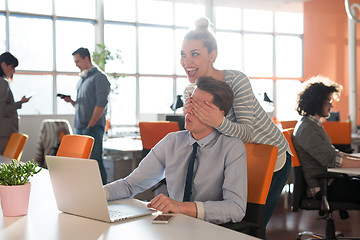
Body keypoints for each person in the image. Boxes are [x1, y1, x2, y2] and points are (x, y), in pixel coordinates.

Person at [181, 17, 291, 230]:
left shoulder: (236, 80)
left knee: (252, 229)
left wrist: (218, 121)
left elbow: (247, 133)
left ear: (212, 56)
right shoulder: (189, 91)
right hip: (236, 161)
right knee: (227, 225)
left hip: (269, 156)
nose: (187, 62)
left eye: (195, 54)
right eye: (183, 55)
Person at [104, 77, 247, 224]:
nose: (189, 110)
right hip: (174, 226)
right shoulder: (171, 141)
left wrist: (181, 207)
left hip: (210, 229)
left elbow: (236, 209)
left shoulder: (232, 148)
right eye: (190, 103)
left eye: (199, 107)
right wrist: (96, 194)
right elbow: (130, 184)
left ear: (219, 114)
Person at [293, 76, 360, 202]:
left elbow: (334, 154)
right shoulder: (307, 129)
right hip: (324, 188)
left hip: (331, 182)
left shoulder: (312, 125)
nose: (332, 105)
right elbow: (332, 160)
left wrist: (357, 159)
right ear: (317, 102)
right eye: (328, 101)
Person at [60, 47, 110, 185]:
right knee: (82, 165)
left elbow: (101, 104)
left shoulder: (100, 78)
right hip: (81, 127)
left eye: (78, 61)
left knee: (95, 163)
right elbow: (82, 104)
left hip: (92, 128)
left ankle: (104, 193)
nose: (76, 64)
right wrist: (71, 101)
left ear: (86, 58)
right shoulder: (83, 79)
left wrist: (91, 124)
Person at [0, 52, 31, 154]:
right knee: (5, 163)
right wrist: (20, 103)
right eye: (12, 67)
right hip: (4, 134)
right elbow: (3, 109)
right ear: (3, 65)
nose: (13, 71)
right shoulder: (3, 83)